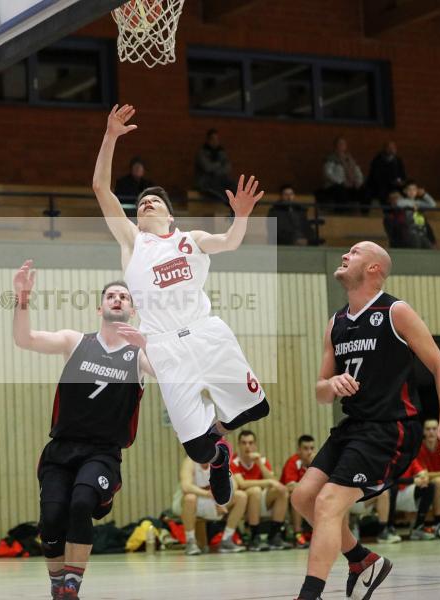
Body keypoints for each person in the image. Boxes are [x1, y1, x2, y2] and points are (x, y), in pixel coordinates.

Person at [93, 104, 271, 513]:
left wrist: (241, 217)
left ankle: (217, 433)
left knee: (256, 407)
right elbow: (101, 188)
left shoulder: (190, 239)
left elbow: (229, 242)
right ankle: (217, 456)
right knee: (195, 449)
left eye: (155, 200)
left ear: (169, 214)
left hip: (206, 332)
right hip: (163, 345)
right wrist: (111, 136)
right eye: (142, 202)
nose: (147, 204)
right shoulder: (132, 242)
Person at [289, 241, 440, 600]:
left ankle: (310, 595)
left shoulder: (396, 311)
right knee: (303, 498)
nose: (344, 255)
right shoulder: (335, 323)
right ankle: (362, 560)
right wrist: (331, 384)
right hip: (353, 426)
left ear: (373, 268)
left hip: (390, 428)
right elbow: (321, 392)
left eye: (354, 252)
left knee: (328, 503)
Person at [12, 260, 152, 600]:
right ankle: (58, 584)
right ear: (99, 308)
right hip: (61, 450)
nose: (117, 299)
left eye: (124, 297)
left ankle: (72, 586)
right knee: (51, 519)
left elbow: (174, 374)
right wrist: (22, 299)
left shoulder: (138, 356)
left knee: (80, 504)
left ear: (132, 311)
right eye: (111, 296)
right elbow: (24, 339)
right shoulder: (75, 342)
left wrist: (149, 344)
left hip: (102, 452)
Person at [173, 456, 248, 555]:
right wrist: (208, 494)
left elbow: (233, 484)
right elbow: (186, 487)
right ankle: (190, 542)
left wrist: (221, 500)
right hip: (191, 502)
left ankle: (227, 539)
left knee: (241, 496)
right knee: (190, 498)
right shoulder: (190, 461)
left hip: (213, 502)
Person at [230, 430, 290, 550]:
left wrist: (260, 464)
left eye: (250, 443)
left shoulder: (261, 460)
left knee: (282, 491)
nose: (247, 446)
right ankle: (254, 537)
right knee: (255, 490)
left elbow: (275, 482)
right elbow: (242, 484)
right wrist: (267, 482)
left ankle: (275, 536)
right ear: (239, 445)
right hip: (244, 502)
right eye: (244, 443)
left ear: (255, 445)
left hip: (260, 500)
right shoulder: (233, 462)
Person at [388, 459, 438, 540]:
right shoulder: (388, 457)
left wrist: (423, 477)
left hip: (404, 491)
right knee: (392, 487)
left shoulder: (409, 457)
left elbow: (420, 471)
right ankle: (388, 528)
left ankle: (418, 526)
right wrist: (413, 480)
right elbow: (389, 479)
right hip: (387, 492)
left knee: (429, 486)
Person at [281, 434, 315, 548]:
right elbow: (290, 486)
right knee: (297, 494)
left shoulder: (317, 463)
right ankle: (297, 533)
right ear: (299, 450)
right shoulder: (293, 462)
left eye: (311, 448)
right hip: (287, 499)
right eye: (306, 448)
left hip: (309, 497)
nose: (309, 452)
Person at [320, 137, 366, 214]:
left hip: (351, 184)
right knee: (341, 191)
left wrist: (358, 182)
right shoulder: (331, 158)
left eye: (343, 144)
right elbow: (328, 173)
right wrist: (341, 182)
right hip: (335, 185)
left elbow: (357, 171)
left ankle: (362, 214)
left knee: (364, 190)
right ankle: (342, 214)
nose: (342, 146)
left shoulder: (350, 159)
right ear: (335, 146)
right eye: (340, 144)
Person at [194, 128, 237, 206]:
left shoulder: (221, 152)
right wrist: (219, 164)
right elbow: (207, 167)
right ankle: (229, 202)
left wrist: (217, 170)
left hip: (220, 179)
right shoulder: (202, 152)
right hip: (206, 182)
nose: (215, 141)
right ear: (208, 140)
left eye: (217, 139)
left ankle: (244, 201)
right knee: (219, 189)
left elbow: (228, 168)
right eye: (213, 139)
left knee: (232, 183)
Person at [366, 141, 406, 207]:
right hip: (381, 185)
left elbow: (403, 174)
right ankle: (387, 210)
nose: (392, 150)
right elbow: (376, 177)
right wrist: (391, 182)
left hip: (396, 184)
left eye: (393, 148)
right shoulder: (377, 160)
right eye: (389, 148)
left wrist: (401, 181)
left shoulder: (398, 160)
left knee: (408, 189)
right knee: (383, 192)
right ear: (385, 149)